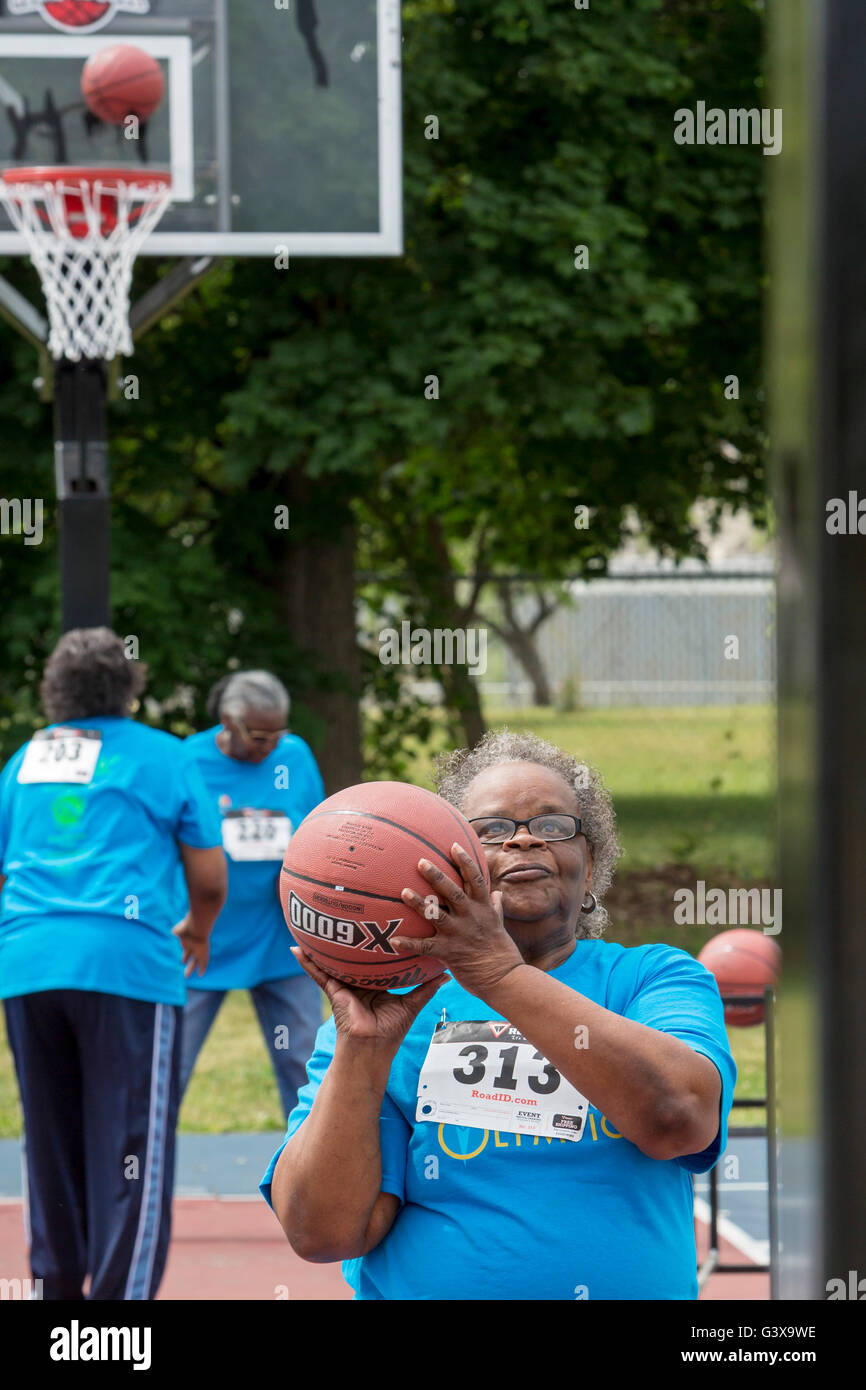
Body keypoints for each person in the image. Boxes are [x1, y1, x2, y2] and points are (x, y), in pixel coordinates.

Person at [260, 729, 737, 1301]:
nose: (524, 842)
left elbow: (678, 1117)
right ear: (440, 862)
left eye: (553, 826)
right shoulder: (390, 1011)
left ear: (589, 861)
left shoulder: (651, 978)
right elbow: (322, 1232)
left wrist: (502, 977)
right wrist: (362, 1050)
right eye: (491, 831)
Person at [0, 628, 227, 1301]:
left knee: (49, 1142)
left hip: (29, 966)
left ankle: (58, 1298)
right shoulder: (165, 756)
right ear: (129, 686)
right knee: (131, 1142)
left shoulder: (23, 760)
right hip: (125, 966)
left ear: (54, 689)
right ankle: (117, 1317)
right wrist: (200, 930)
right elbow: (210, 879)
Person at [179, 670, 325, 1120]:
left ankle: (309, 1179)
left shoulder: (294, 756)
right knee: (168, 1065)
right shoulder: (187, 760)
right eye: (259, 736)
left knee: (304, 1067)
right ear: (227, 720)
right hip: (203, 937)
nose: (270, 746)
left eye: (278, 735)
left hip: (282, 938)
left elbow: (318, 833)